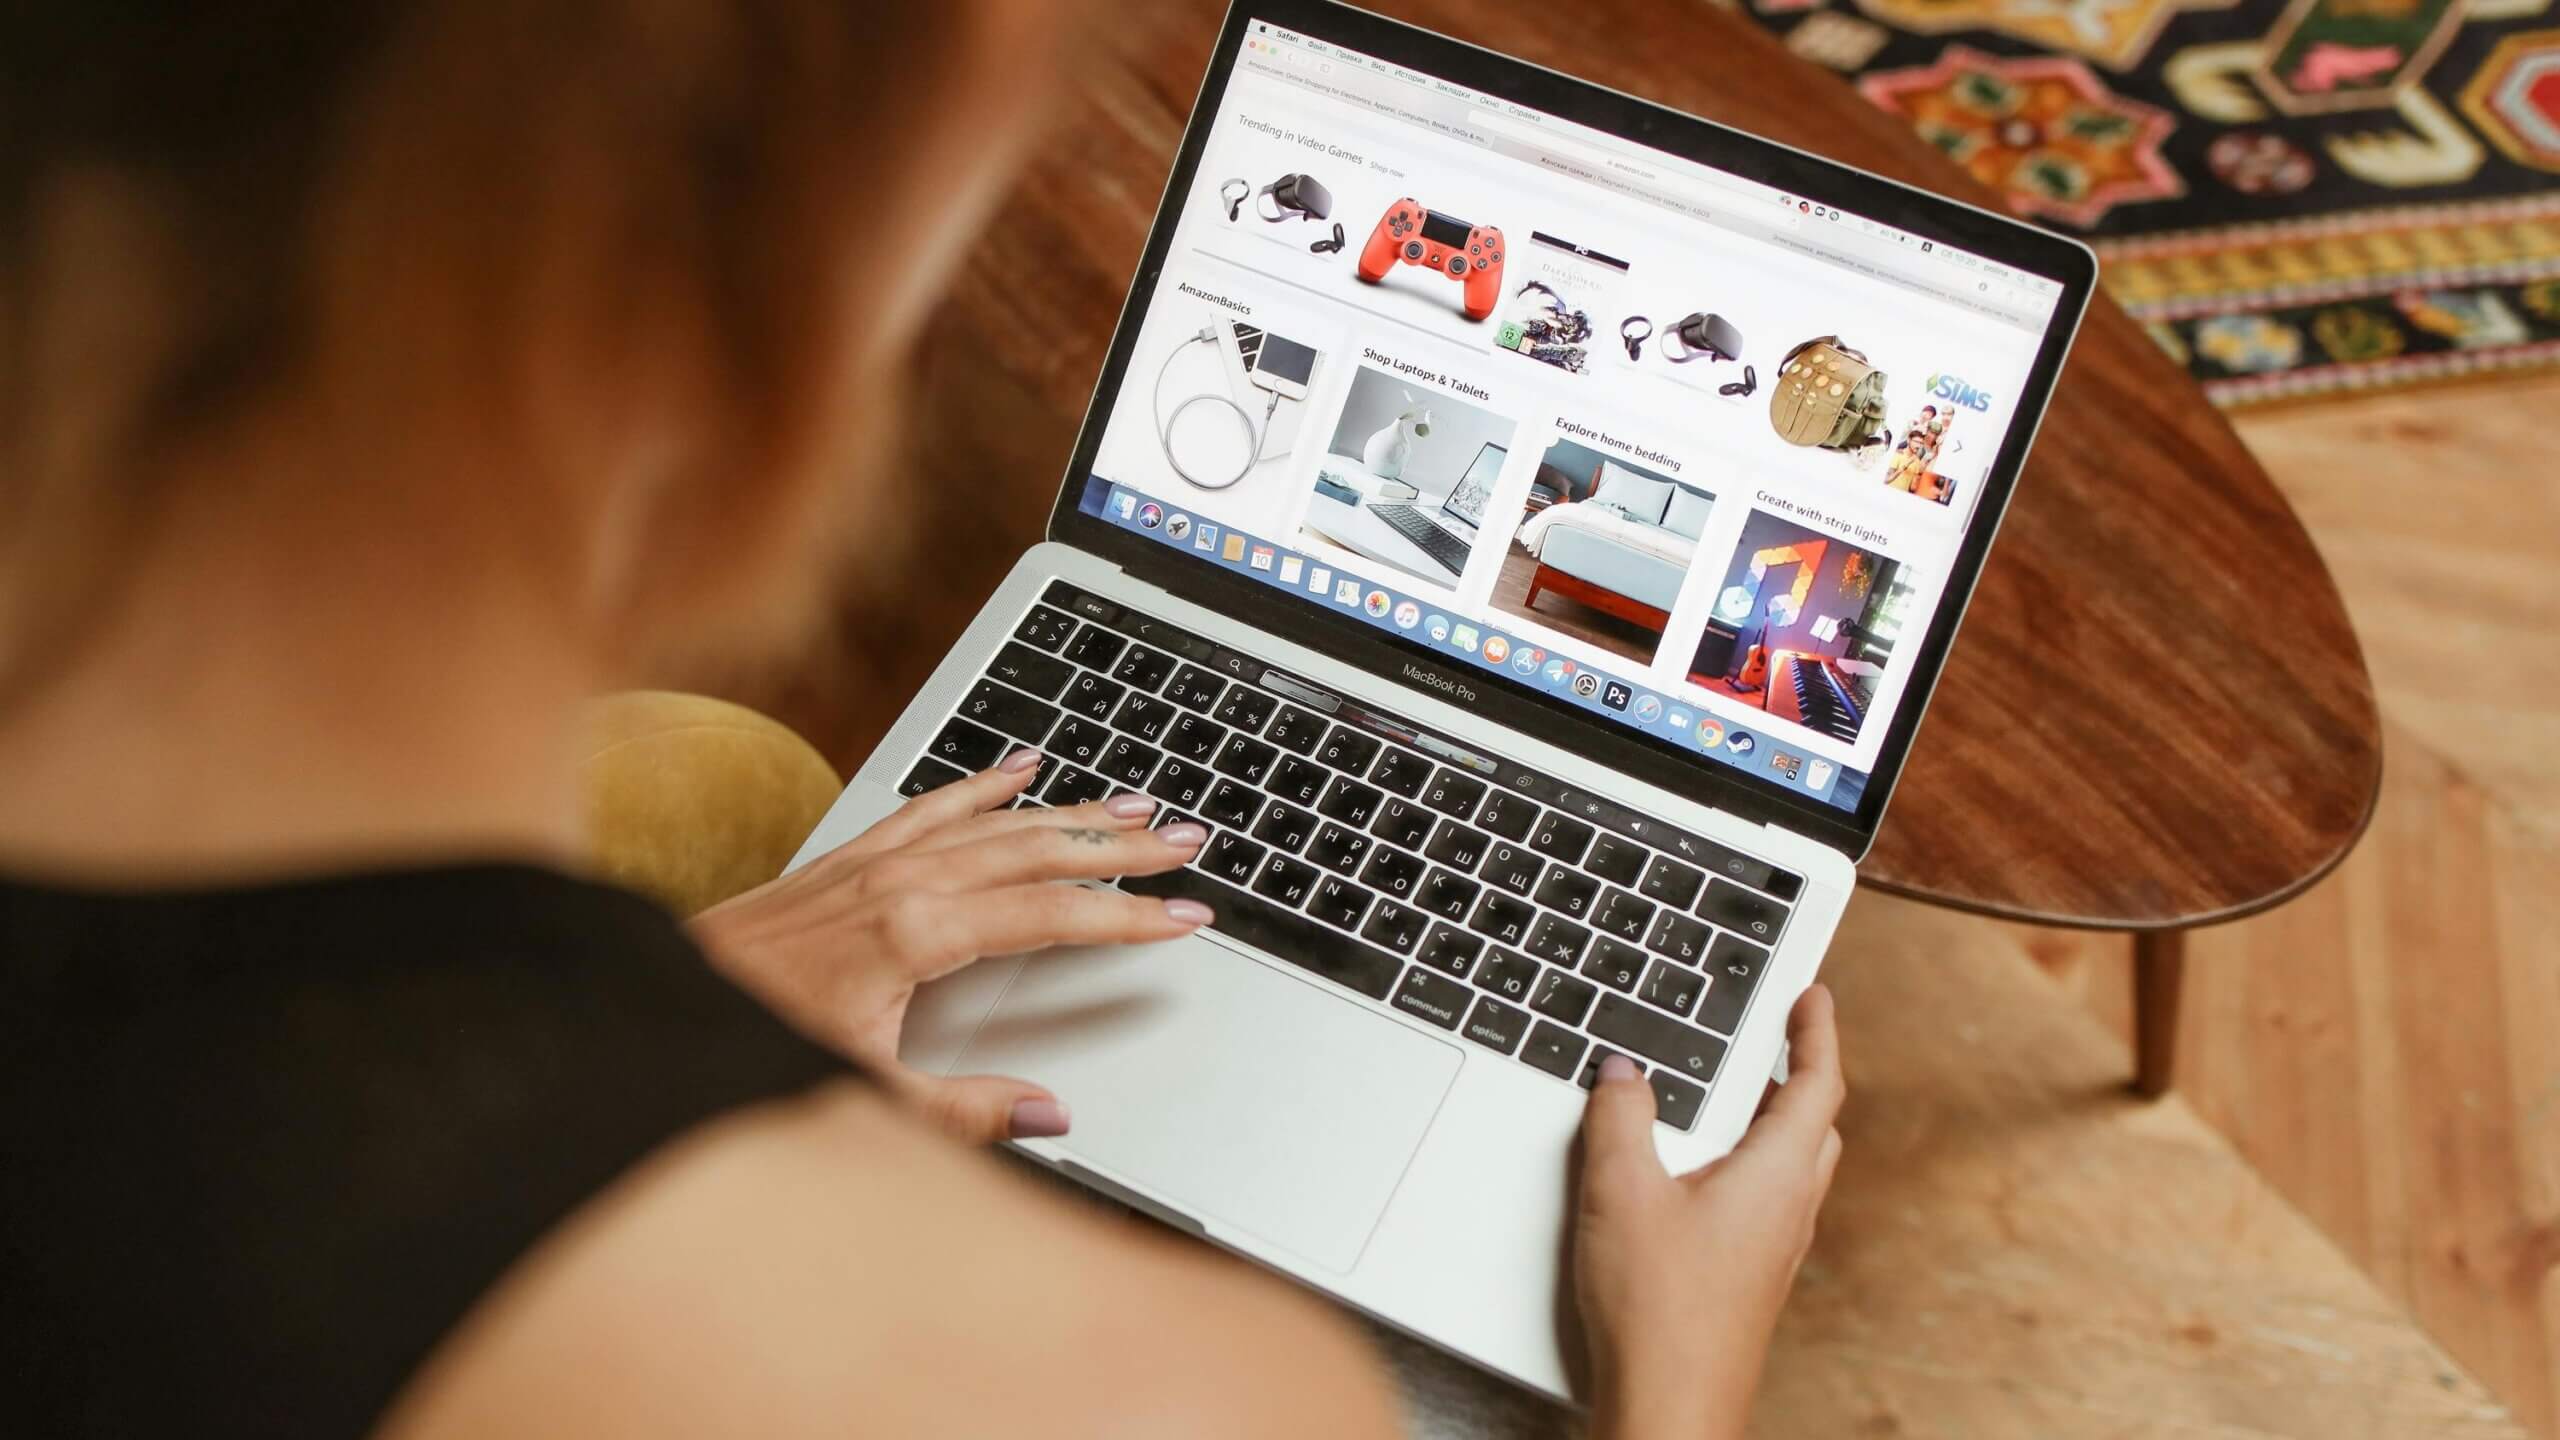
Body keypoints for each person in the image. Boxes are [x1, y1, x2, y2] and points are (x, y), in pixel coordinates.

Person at [0, 3, 1845, 1437]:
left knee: (781, 796)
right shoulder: (1140, 1397)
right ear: (771, 215)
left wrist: (662, 1018)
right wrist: (1685, 1382)